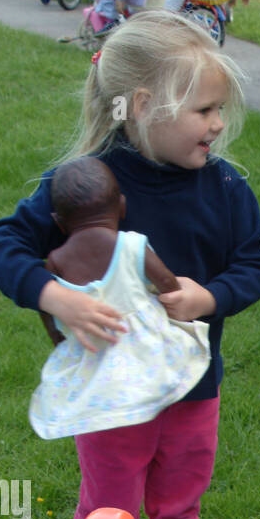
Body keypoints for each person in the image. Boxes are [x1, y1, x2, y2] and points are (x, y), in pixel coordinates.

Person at [0, 10, 260, 519]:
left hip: (192, 389)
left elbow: (258, 260)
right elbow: (5, 242)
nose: (218, 124)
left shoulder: (226, 188)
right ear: (144, 105)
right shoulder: (86, 188)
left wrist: (212, 295)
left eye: (220, 109)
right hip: (110, 395)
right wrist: (55, 295)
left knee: (178, 505)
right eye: (204, 110)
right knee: (110, 512)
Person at [30, 157, 211, 440]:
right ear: (122, 206)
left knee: (113, 456)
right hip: (147, 354)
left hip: (96, 368)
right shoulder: (132, 245)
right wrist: (175, 303)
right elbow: (167, 282)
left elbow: (47, 310)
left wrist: (58, 339)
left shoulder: (54, 261)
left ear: (59, 223)